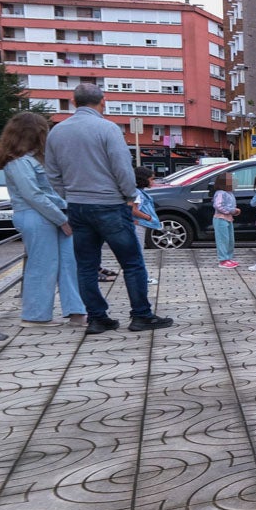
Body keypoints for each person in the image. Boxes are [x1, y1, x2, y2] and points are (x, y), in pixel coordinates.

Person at [44, 84, 172, 335]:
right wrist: (128, 195)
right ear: (104, 101)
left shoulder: (57, 132)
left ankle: (97, 318)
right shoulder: (108, 129)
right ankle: (141, 315)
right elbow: (122, 168)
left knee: (87, 265)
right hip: (110, 204)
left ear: (73, 102)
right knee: (132, 262)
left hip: (78, 206)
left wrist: (68, 197)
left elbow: (53, 174)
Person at [0, 112, 85, 327]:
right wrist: (61, 218)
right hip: (37, 215)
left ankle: (76, 311)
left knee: (67, 262)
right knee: (43, 265)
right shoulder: (17, 162)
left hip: (48, 215)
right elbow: (33, 194)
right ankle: (35, 315)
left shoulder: (27, 160)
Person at [130, 166, 161, 287]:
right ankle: (142, 278)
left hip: (138, 224)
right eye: (151, 179)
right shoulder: (137, 193)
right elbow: (133, 210)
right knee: (138, 252)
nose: (153, 182)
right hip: (138, 225)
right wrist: (148, 217)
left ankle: (139, 276)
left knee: (137, 252)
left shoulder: (138, 191)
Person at [212, 172, 239, 267]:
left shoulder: (229, 193)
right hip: (220, 219)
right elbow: (218, 205)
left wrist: (233, 211)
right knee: (223, 240)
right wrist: (232, 210)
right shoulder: (220, 193)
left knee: (230, 240)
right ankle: (223, 260)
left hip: (228, 219)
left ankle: (228, 258)